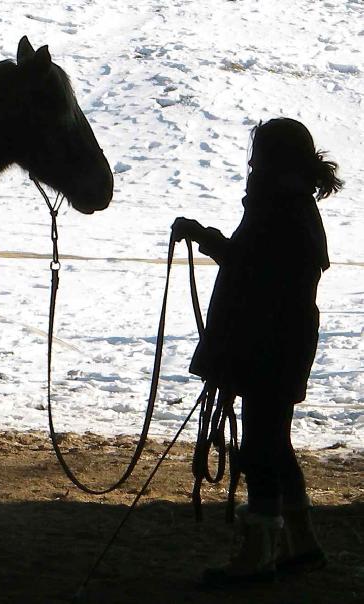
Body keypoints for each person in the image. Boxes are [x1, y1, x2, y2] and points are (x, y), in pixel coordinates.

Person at [171, 118, 343, 585]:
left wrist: (208, 240)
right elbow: (259, 266)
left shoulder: (281, 208)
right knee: (274, 444)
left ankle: (259, 553)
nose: (251, 163)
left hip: (268, 346)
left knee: (261, 448)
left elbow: (259, 273)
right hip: (277, 344)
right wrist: (207, 238)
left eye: (258, 154)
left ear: (273, 160)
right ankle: (301, 545)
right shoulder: (287, 206)